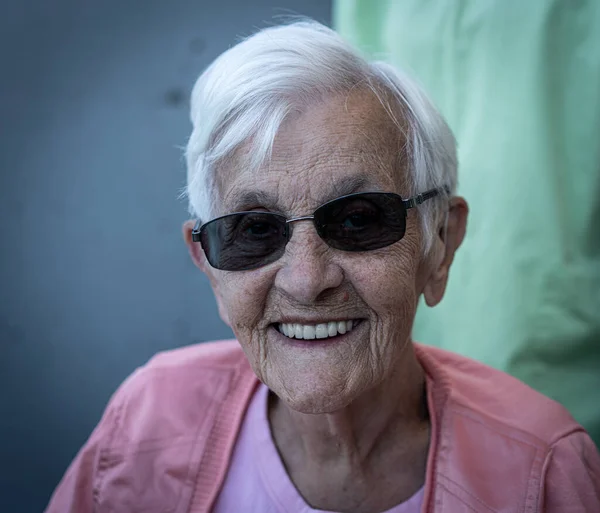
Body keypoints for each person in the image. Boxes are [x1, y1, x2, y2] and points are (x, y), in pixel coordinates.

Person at [45, 20, 600, 513]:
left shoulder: (541, 469)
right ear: (210, 267)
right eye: (255, 230)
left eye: (359, 220)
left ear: (440, 243)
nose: (308, 281)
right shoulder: (146, 422)